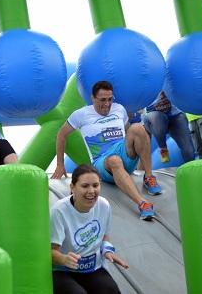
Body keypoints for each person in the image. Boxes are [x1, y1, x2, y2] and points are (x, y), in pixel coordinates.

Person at [52, 80, 161, 221]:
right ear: (93, 98)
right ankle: (143, 204)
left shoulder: (119, 109)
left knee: (138, 128)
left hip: (124, 153)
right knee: (114, 160)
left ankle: (149, 177)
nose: (107, 104)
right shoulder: (81, 114)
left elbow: (131, 133)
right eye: (102, 100)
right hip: (102, 161)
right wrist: (60, 164)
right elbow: (61, 134)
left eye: (110, 99)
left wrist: (141, 142)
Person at [50, 164, 128, 294]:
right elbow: (51, 252)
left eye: (95, 185)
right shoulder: (59, 211)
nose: (91, 191)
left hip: (92, 269)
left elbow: (104, 237)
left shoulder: (104, 205)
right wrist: (64, 259)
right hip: (63, 271)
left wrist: (107, 251)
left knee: (111, 290)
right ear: (73, 187)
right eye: (85, 186)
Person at [142, 91, 195, 163]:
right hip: (154, 117)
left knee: (189, 150)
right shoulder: (149, 82)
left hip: (175, 115)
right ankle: (163, 149)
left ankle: (190, 169)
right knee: (156, 117)